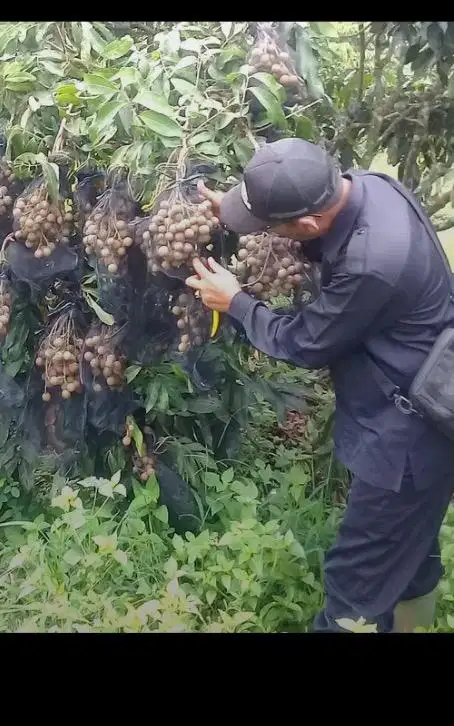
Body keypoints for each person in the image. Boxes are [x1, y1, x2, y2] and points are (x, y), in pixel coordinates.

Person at [186, 137, 454, 633]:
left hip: (407, 443)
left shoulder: (373, 264)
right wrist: (240, 205)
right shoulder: (370, 187)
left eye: (271, 225)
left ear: (307, 223)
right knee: (410, 556)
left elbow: (307, 343)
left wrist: (237, 303)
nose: (269, 234)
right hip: (423, 401)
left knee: (355, 588)